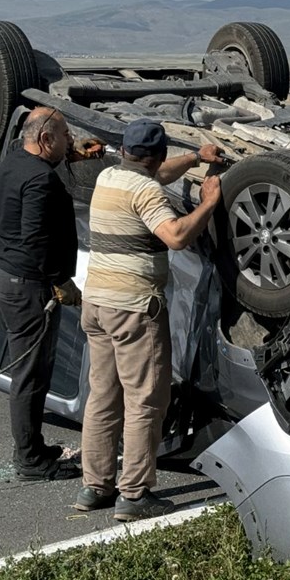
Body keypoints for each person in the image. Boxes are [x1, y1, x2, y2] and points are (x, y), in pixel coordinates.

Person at [74, 119, 223, 521]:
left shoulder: (110, 176)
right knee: (145, 401)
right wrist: (208, 201)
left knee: (103, 397)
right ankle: (134, 495)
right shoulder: (146, 190)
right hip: (134, 309)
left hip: (97, 304)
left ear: (124, 152)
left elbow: (155, 173)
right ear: (154, 156)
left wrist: (194, 158)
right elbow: (175, 236)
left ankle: (95, 486)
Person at [0, 107, 103, 481]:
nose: (71, 140)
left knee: (30, 372)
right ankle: (30, 462)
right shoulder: (41, 181)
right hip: (27, 285)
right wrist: (61, 282)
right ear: (46, 139)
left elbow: (42, 156)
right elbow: (36, 239)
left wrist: (72, 153)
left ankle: (32, 447)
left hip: (3, 275)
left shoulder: (14, 162)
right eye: (66, 135)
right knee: (31, 376)